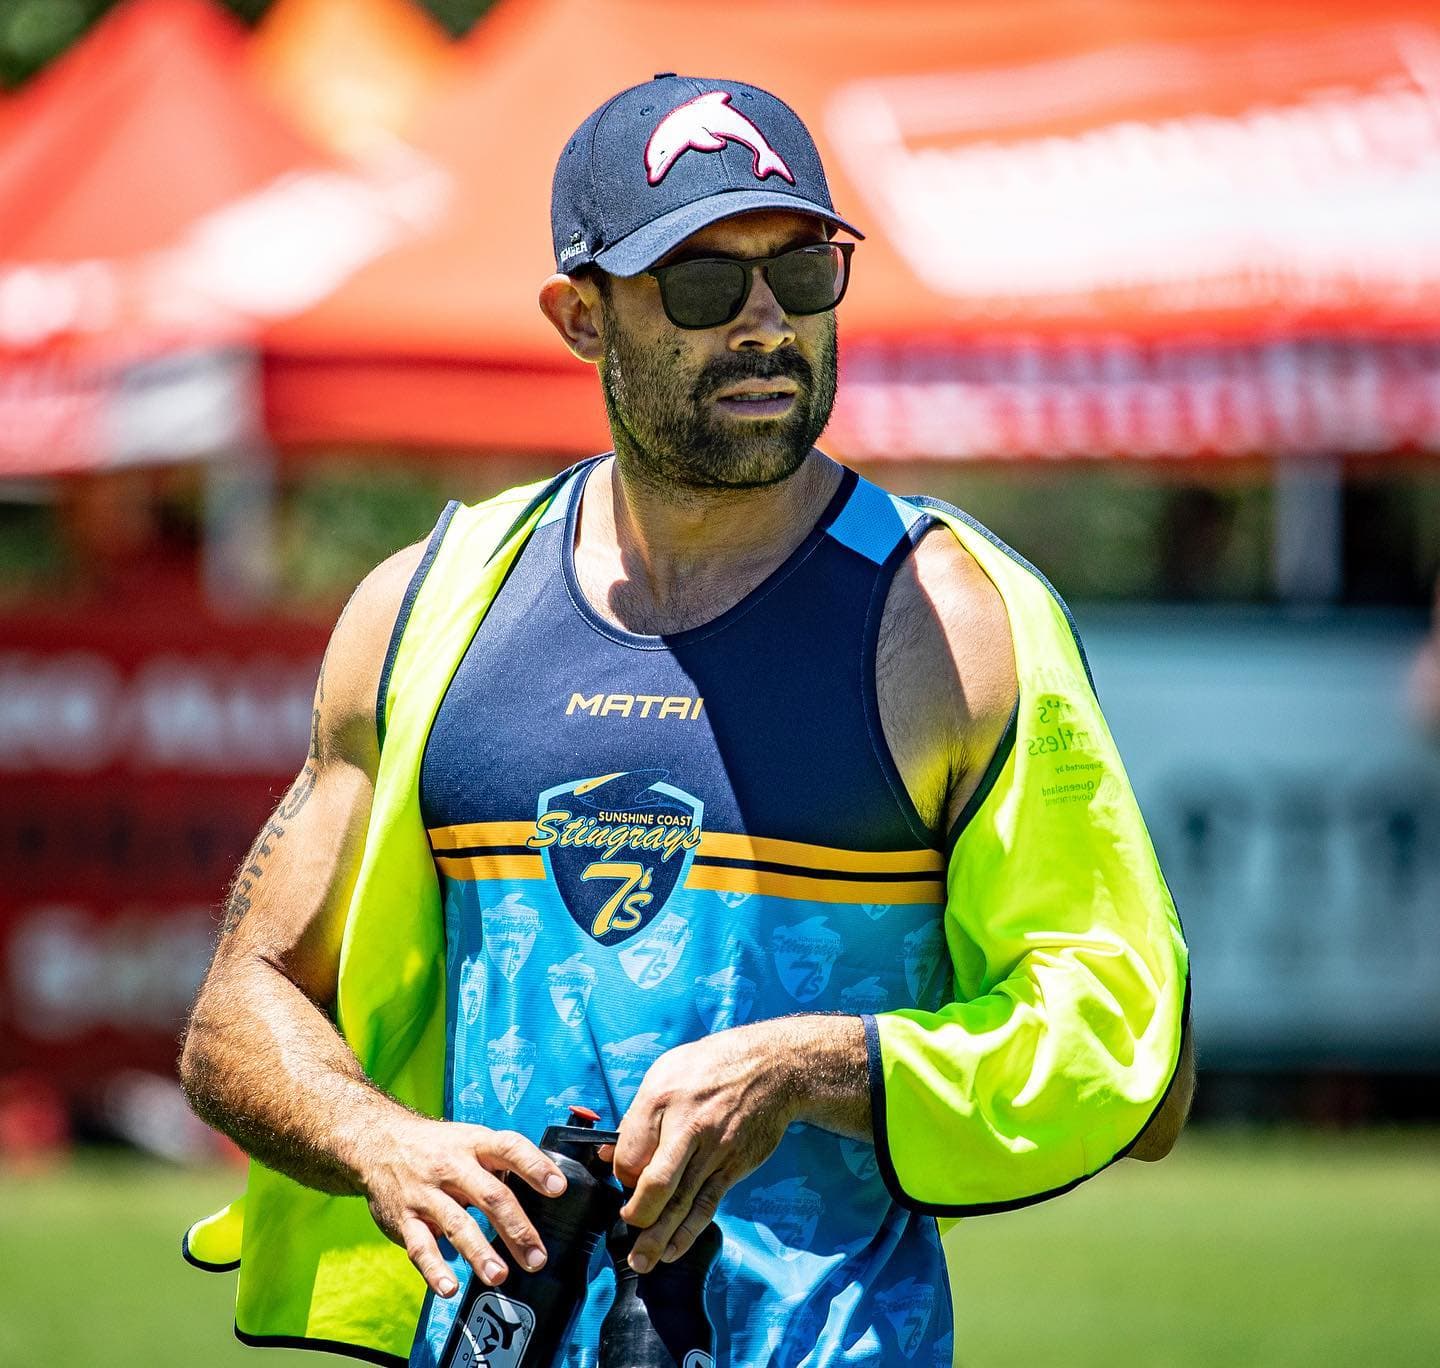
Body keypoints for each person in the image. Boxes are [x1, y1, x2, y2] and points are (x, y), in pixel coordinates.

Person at [180, 74, 1192, 1368]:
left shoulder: (957, 624)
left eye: (803, 272)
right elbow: (238, 1010)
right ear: (580, 317)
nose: (767, 325)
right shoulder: (424, 610)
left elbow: (1134, 1054)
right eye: (704, 285)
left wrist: (816, 1063)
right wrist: (386, 1142)